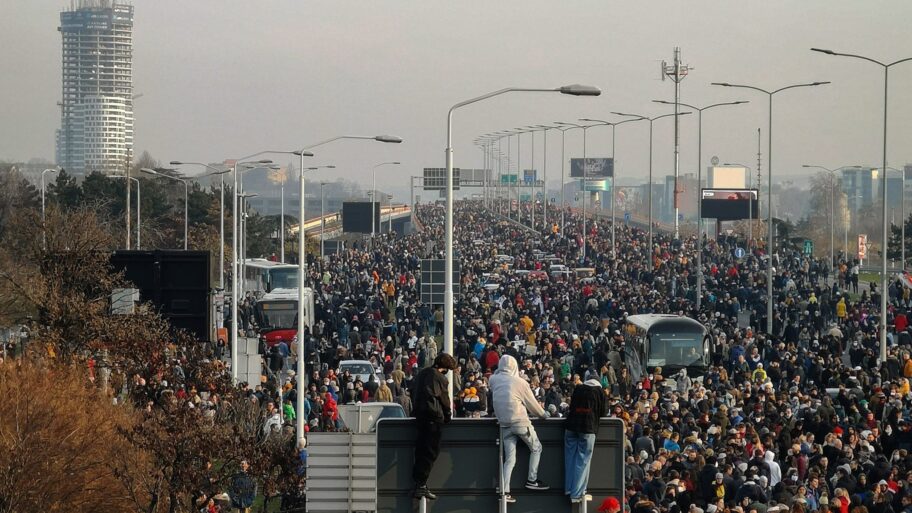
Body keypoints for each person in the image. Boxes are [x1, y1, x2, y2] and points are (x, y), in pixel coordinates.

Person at [490, 354, 550, 504]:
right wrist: (544, 414)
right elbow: (533, 405)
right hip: (520, 422)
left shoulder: (494, 380)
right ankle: (532, 480)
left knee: (509, 460)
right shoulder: (520, 382)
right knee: (536, 448)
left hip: (504, 425)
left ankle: (505, 492)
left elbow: (496, 376)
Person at [411, 352, 457, 500]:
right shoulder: (440, 378)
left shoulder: (422, 374)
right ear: (445, 368)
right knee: (431, 452)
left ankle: (419, 484)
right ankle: (421, 485)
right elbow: (444, 399)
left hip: (420, 416)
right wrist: (448, 415)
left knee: (421, 451)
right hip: (434, 418)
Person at [564, 372, 607, 503]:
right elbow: (603, 412)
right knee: (583, 460)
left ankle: (568, 488)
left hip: (570, 426)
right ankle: (577, 493)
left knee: (569, 457)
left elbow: (571, 407)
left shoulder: (578, 388)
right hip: (588, 428)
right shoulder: (600, 392)